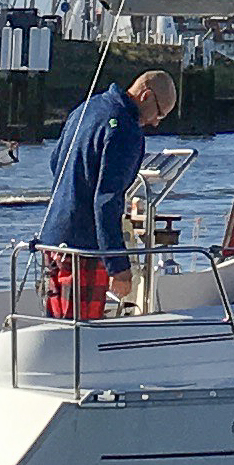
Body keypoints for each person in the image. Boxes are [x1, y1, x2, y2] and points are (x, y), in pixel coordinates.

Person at [39, 69, 181, 319]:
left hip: (52, 238)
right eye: (159, 113)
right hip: (85, 247)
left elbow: (56, 163)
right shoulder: (125, 131)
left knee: (58, 323)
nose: (156, 122)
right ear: (146, 96)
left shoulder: (87, 108)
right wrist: (118, 267)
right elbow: (107, 201)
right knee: (82, 327)